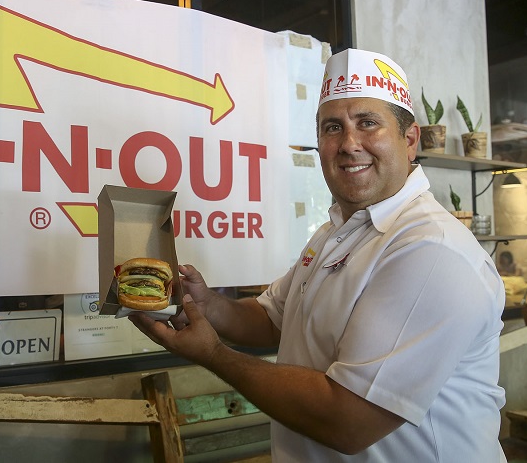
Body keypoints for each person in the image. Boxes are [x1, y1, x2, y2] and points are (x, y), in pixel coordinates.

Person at [130, 48, 506, 461]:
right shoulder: (334, 234)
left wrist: (214, 354)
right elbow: (274, 319)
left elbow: (348, 419)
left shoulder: (431, 250)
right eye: (332, 127)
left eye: (368, 123)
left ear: (410, 139)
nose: (348, 144)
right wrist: (207, 306)